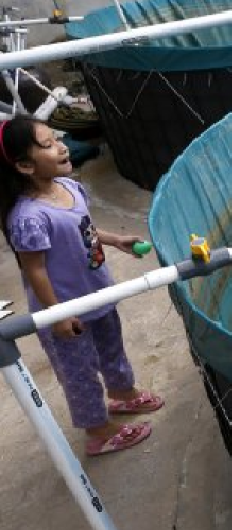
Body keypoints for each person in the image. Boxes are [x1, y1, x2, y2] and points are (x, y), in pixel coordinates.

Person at [1, 116, 162, 457]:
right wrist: (57, 315)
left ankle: (121, 393)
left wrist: (116, 240)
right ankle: (98, 430)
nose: (61, 146)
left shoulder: (70, 188)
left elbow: (83, 228)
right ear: (26, 165)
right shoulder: (29, 217)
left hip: (97, 294)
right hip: (65, 312)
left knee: (111, 349)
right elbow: (35, 271)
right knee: (80, 373)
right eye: (47, 144)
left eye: (57, 138)